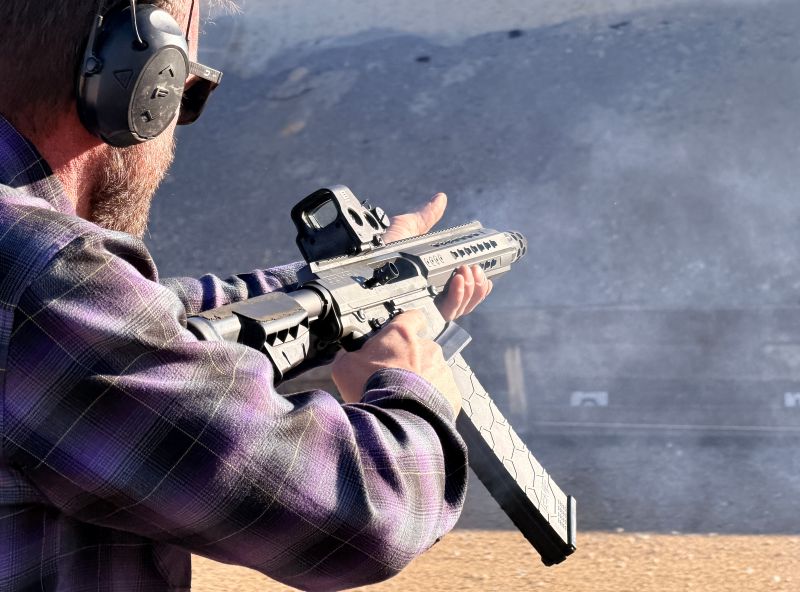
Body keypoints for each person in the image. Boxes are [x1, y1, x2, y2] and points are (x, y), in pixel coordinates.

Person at [0, 1, 492, 590]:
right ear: (138, 80)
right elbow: (363, 516)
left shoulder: (37, 273)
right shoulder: (42, 280)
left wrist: (348, 280)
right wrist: (414, 389)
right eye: (188, 91)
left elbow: (147, 317)